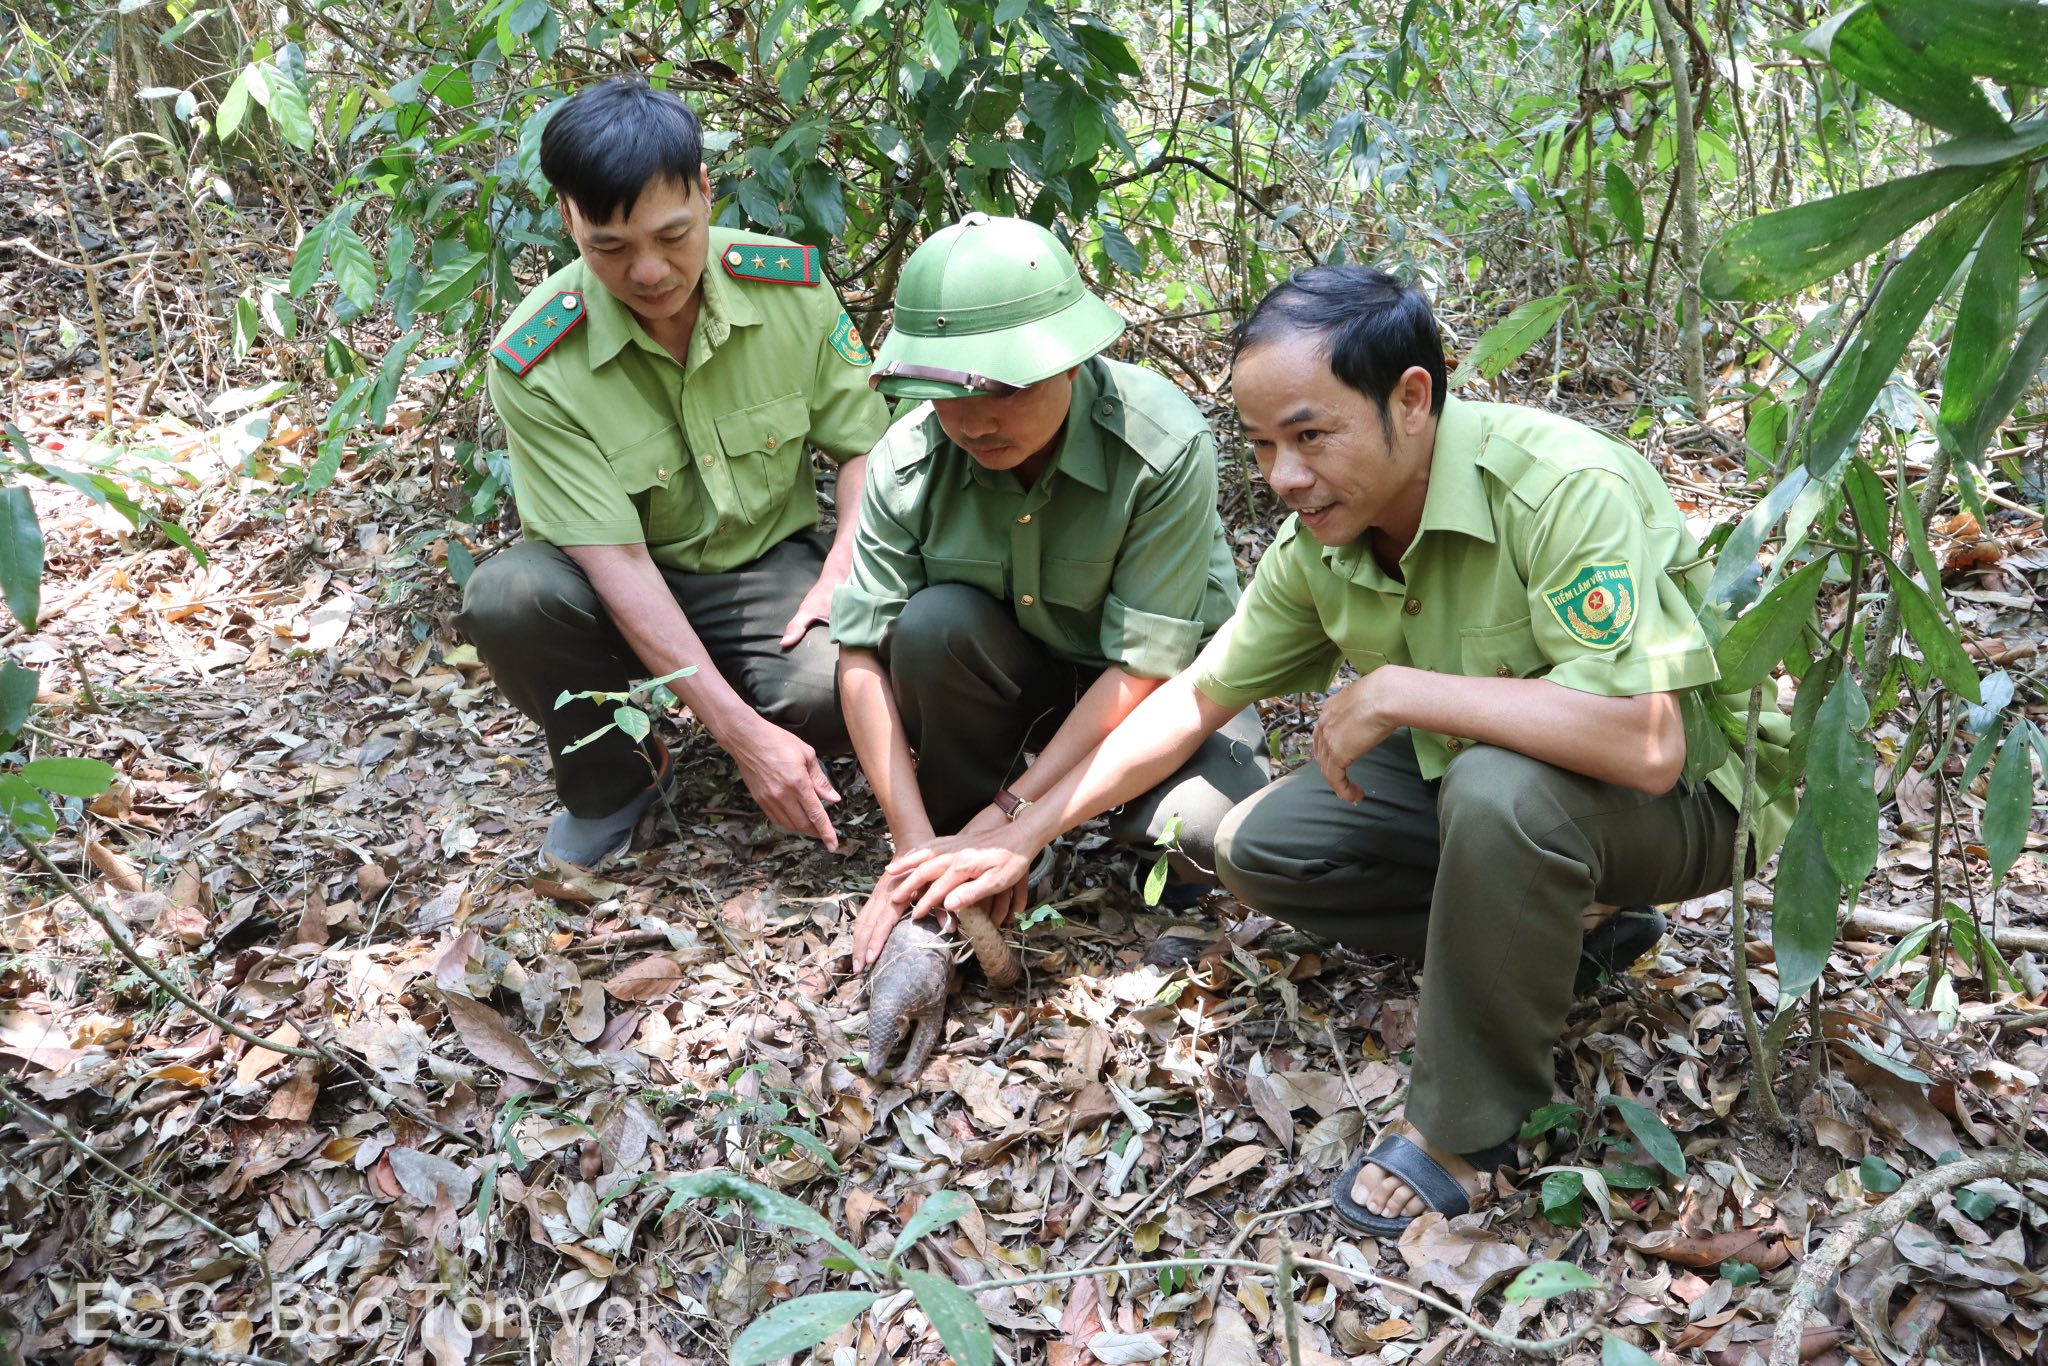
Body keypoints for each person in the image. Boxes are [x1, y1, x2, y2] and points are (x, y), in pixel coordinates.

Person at [883, 265, 1795, 1236]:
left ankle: (1461, 1137)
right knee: (1258, 846)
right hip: (1501, 791)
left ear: (1411, 397)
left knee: (1495, 789)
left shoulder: (1556, 486)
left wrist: (1400, 690)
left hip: (1694, 797)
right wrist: (1026, 830)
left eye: (1311, 435)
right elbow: (1192, 698)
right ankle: (1561, 939)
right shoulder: (1319, 539)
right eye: (1264, 444)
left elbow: (1648, 741)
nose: (1283, 475)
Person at [458, 78, 892, 869]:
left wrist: (843, 570)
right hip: (615, 591)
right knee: (509, 598)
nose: (650, 273)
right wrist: (740, 737)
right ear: (568, 221)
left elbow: (867, 443)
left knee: (836, 694)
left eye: (673, 235)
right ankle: (616, 779)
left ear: (705, 189)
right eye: (610, 248)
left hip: (762, 565)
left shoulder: (788, 288)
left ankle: (769, 699)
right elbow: (616, 561)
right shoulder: (537, 359)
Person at [836, 213, 1271, 971]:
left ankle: (1007, 836)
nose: (973, 421)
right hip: (1021, 679)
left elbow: (1144, 668)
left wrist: (1015, 819)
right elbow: (860, 655)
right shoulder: (908, 459)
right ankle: (954, 843)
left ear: (1072, 362)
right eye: (946, 392)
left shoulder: (1159, 446)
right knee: (934, 623)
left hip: (1167, 694)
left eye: (1004, 388)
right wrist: (911, 850)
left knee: (1195, 836)